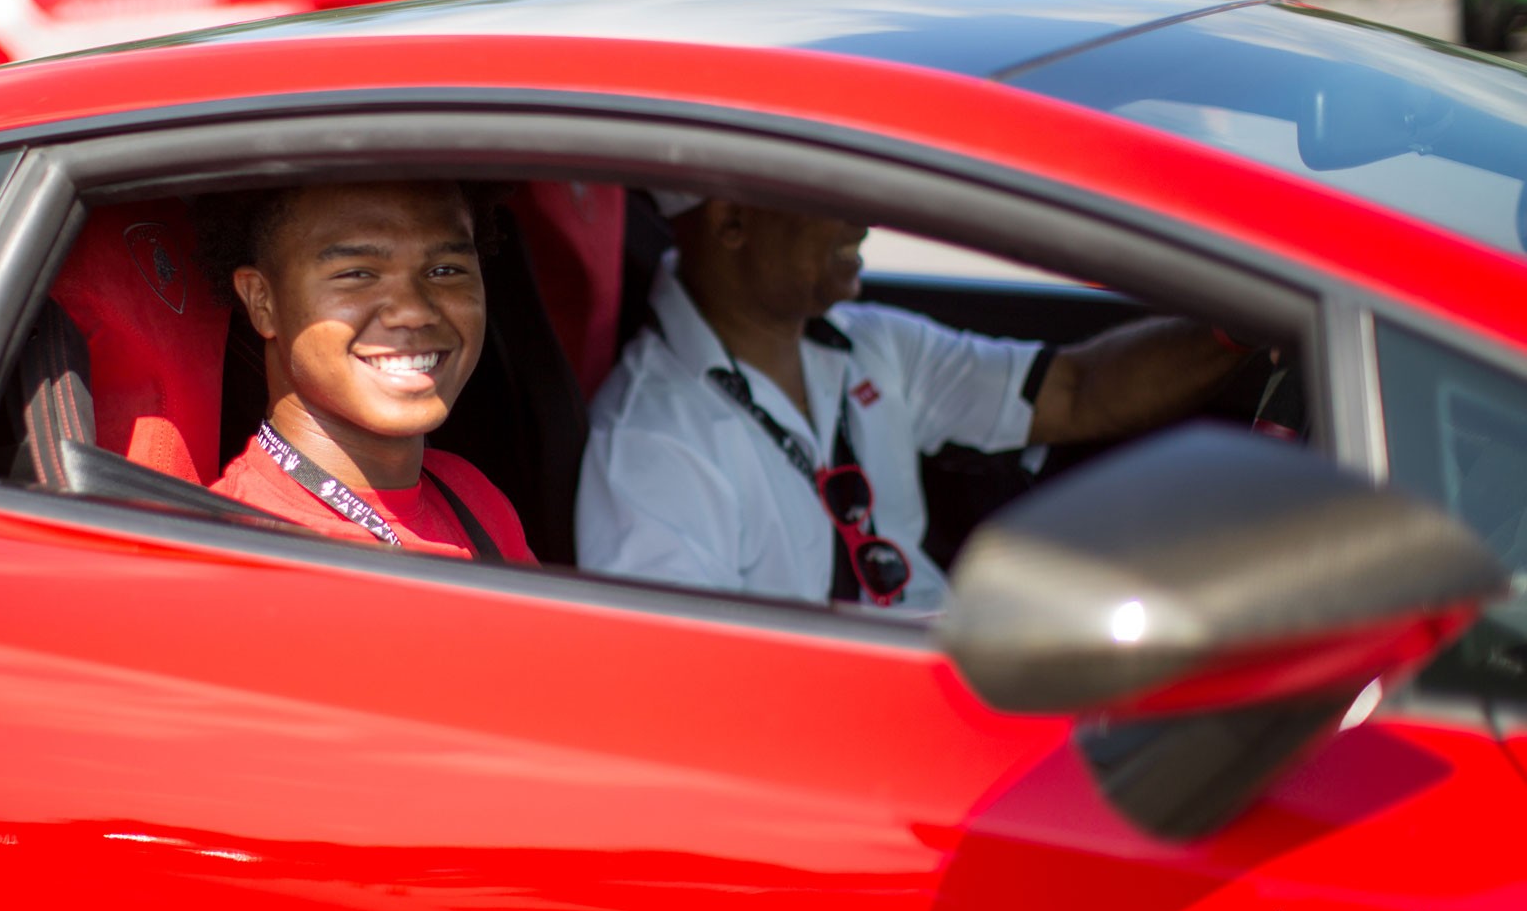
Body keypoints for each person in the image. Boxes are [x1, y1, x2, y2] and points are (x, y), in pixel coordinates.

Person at [574, 197, 1258, 617]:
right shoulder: (652, 440)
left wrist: (1243, 325)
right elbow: (688, 691)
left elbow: (1076, 390)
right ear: (731, 222)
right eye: (832, 194)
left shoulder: (875, 345)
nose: (864, 217)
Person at [199, 180, 536, 564]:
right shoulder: (247, 551)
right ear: (262, 301)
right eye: (357, 274)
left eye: (445, 270)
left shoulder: (467, 493)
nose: (413, 312)